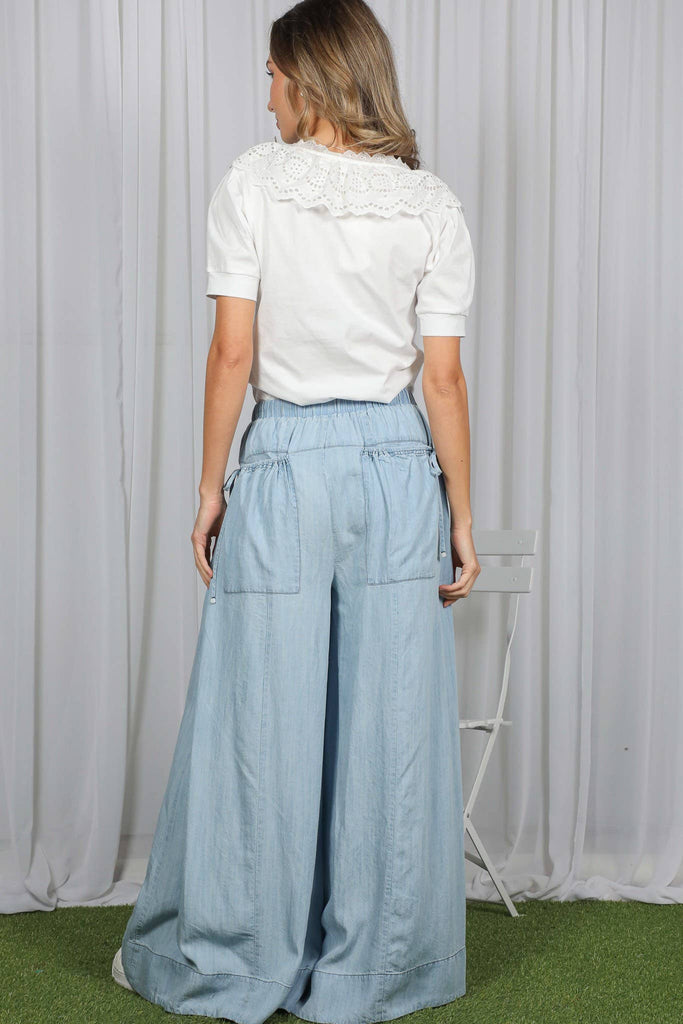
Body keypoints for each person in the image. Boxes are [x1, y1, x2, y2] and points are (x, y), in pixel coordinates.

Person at [112, 1, 480, 1021]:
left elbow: (233, 352)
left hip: (283, 460)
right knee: (389, 722)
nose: (265, 91)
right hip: (397, 468)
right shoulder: (429, 203)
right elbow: (441, 379)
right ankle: (372, 971)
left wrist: (209, 488)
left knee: (259, 716)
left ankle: (241, 960)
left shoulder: (253, 184)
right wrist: (459, 512)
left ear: (309, 77)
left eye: (272, 73)